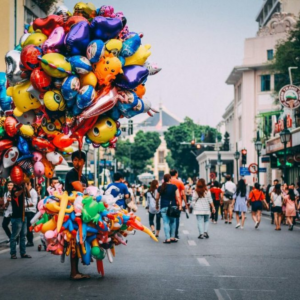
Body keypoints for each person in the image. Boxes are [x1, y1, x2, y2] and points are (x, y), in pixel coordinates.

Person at [65, 150, 89, 280]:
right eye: (74, 160)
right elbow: (81, 189)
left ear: (83, 162)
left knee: (80, 242)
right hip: (72, 214)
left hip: (81, 212)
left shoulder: (83, 176)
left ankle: (76, 271)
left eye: (79, 160)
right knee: (74, 241)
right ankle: (74, 272)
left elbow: (88, 191)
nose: (76, 162)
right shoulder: (71, 174)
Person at [156, 174, 181, 244]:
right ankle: (172, 237)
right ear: (170, 179)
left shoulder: (161, 187)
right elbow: (178, 196)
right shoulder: (174, 187)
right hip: (173, 206)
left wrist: (157, 205)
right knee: (173, 222)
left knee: (166, 222)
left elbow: (157, 197)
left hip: (163, 206)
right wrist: (179, 205)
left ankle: (167, 238)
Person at [10, 182, 31, 259]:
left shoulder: (23, 188)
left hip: (23, 215)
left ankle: (23, 253)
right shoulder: (14, 188)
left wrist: (26, 188)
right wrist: (23, 189)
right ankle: (13, 253)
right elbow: (16, 194)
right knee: (14, 236)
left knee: (23, 236)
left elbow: (29, 196)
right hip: (16, 217)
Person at [170, 169, 187, 239]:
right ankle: (175, 234)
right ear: (176, 174)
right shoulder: (180, 182)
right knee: (176, 218)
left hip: (168, 202)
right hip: (177, 202)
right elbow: (183, 194)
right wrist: (185, 203)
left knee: (169, 219)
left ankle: (170, 234)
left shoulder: (167, 182)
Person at [25, 179, 38, 247]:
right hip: (25, 211)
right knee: (25, 227)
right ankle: (28, 240)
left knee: (28, 227)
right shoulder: (24, 191)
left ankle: (30, 241)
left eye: (27, 183)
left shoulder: (33, 192)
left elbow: (33, 203)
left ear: (30, 183)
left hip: (31, 211)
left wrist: (25, 205)